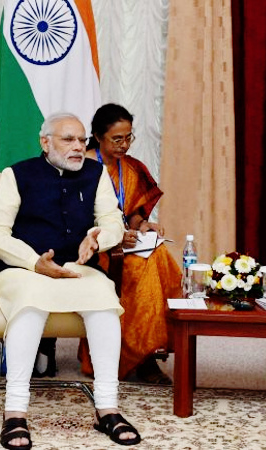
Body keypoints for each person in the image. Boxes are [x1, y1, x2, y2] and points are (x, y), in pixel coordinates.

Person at [0, 113, 141, 449]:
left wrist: (98, 239)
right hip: (22, 268)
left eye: (82, 140)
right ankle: (15, 413)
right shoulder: (18, 174)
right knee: (31, 301)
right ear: (46, 142)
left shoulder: (95, 173)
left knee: (104, 298)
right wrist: (32, 262)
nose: (78, 147)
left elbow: (113, 220)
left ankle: (107, 409)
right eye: (68, 139)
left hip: (75, 266)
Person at [77, 103, 182, 383]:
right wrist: (112, 234)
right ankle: (130, 355)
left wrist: (142, 225)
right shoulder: (82, 167)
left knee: (160, 258)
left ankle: (148, 351)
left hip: (127, 243)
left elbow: (131, 212)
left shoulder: (131, 169)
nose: (125, 145)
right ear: (98, 136)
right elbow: (74, 217)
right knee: (139, 269)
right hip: (92, 246)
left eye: (129, 138)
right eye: (117, 139)